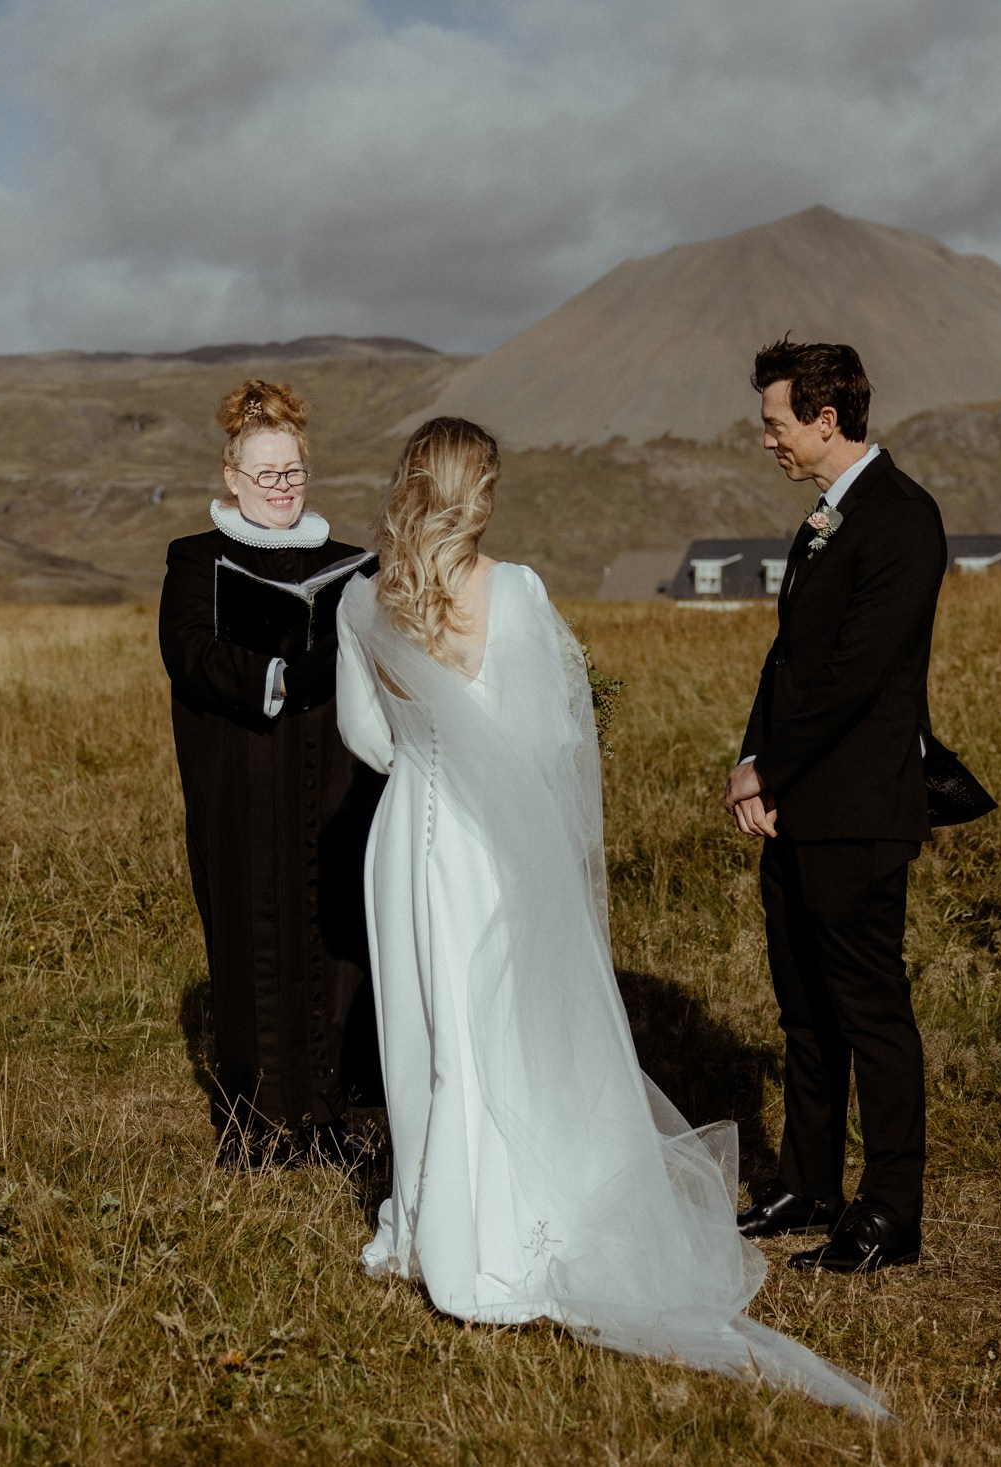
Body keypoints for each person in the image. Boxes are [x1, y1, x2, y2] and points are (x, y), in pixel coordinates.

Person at [336, 417, 885, 1416]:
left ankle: (432, 1233)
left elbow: (366, 741)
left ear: (408, 485)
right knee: (505, 1032)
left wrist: (427, 738)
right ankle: (509, 1235)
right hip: (495, 847)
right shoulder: (522, 592)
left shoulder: (359, 601)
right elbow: (550, 738)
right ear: (484, 494)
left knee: (422, 1032)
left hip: (407, 844)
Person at [724, 337, 947, 1274]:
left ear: (825, 419)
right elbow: (792, 661)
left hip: (859, 807)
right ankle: (807, 1182)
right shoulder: (824, 520)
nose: (767, 439)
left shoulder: (901, 519)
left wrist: (768, 769)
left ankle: (891, 1207)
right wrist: (751, 754)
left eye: (776, 423)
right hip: (800, 805)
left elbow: (857, 677)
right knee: (804, 1009)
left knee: (870, 1009)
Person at [159, 378, 383, 1168]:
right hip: (240, 777)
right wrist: (281, 673)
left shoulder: (348, 564)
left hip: (329, 774)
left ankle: (326, 1114)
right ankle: (254, 1125)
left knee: (333, 932)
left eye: (293, 474)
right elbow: (189, 652)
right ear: (232, 475)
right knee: (251, 934)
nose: (282, 490)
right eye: (266, 475)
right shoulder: (195, 559)